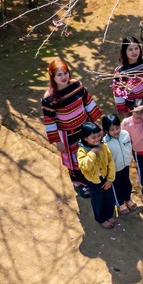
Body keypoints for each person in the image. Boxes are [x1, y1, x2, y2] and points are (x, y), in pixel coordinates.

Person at [41, 59, 104, 198]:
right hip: (67, 136)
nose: (63, 77)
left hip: (85, 130)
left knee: (89, 154)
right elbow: (49, 122)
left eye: (65, 73)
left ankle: (92, 178)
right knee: (74, 162)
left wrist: (96, 122)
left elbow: (88, 102)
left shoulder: (77, 85)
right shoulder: (49, 99)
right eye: (59, 75)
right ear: (52, 76)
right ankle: (80, 185)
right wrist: (58, 141)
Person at [76, 121, 117, 229]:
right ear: (85, 138)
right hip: (94, 182)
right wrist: (93, 152)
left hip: (106, 178)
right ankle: (101, 218)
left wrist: (110, 179)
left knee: (109, 198)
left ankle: (108, 215)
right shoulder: (82, 151)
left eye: (99, 135)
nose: (97, 139)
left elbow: (111, 162)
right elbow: (85, 166)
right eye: (93, 137)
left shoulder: (103, 146)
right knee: (98, 201)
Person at [101, 114, 138, 215]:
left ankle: (127, 198)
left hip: (125, 165)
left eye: (117, 128)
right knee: (116, 186)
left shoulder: (125, 134)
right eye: (112, 130)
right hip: (114, 170)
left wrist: (129, 158)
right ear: (106, 130)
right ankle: (120, 203)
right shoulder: (105, 142)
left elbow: (129, 146)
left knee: (126, 182)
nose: (116, 131)